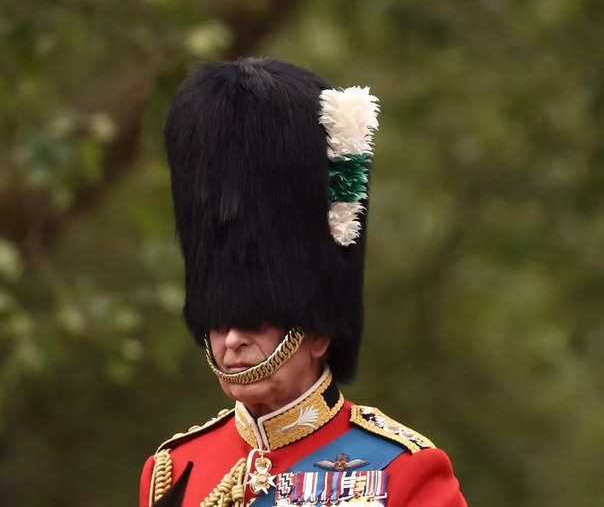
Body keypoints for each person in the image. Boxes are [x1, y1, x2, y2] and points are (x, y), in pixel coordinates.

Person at [139, 58, 467, 507]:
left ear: (316, 331)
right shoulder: (174, 469)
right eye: (218, 320)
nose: (232, 340)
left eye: (253, 319)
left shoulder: (400, 472)